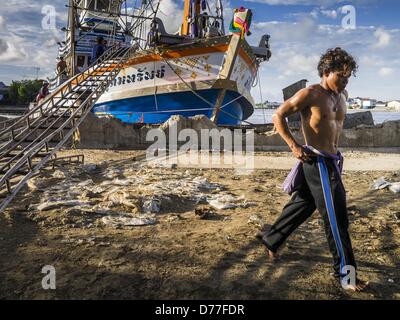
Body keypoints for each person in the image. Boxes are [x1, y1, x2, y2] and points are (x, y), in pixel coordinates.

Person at [257, 47, 369, 292]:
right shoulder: (310, 94)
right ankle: (347, 275)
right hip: (317, 163)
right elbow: (279, 115)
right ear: (326, 72)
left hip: (332, 160)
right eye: (341, 75)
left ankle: (271, 239)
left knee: (303, 204)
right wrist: (294, 146)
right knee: (337, 218)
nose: (345, 81)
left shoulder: (342, 95)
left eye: (348, 77)